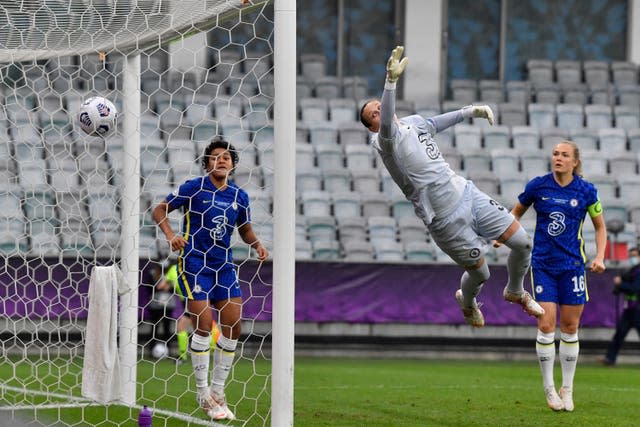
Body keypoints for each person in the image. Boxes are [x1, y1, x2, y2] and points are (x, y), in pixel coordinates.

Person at [360, 46, 544, 328]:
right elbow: (387, 123)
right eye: (373, 113)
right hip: (444, 219)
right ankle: (468, 302)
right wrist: (390, 81)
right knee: (481, 275)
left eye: (377, 106)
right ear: (372, 126)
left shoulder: (413, 123)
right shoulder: (384, 142)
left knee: (523, 243)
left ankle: (516, 291)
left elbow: (435, 123)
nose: (379, 111)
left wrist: (470, 111)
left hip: (467, 194)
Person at [152, 137, 268, 421]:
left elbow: (244, 229)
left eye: (227, 156)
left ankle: (218, 391)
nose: (222, 159)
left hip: (224, 265)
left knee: (233, 326)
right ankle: (203, 392)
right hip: (194, 263)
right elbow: (159, 210)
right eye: (216, 156)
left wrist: (256, 244)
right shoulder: (194, 188)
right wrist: (171, 236)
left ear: (233, 164)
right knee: (204, 324)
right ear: (207, 163)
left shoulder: (239, 196)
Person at [508, 140, 607, 412]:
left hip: (573, 266)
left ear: (575, 161)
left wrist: (599, 257)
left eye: (564, 155)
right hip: (543, 266)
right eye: (555, 154)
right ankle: (550, 389)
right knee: (545, 326)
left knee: (571, 328)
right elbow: (516, 212)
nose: (558, 158)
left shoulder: (586, 191)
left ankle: (568, 388)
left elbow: (600, 227)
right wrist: (503, 235)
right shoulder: (538, 186)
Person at [163, 261, 220, 364]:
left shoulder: (173, 269)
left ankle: (183, 356)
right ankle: (214, 349)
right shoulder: (194, 266)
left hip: (191, 301)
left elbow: (162, 286)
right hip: (198, 298)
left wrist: (163, 278)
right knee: (204, 325)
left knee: (183, 327)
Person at [602, 246, 640, 366]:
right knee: (619, 334)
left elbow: (635, 288)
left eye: (634, 256)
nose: (632, 258)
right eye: (631, 256)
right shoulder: (632, 270)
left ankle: (610, 358)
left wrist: (621, 283)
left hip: (638, 310)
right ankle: (610, 358)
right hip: (629, 309)